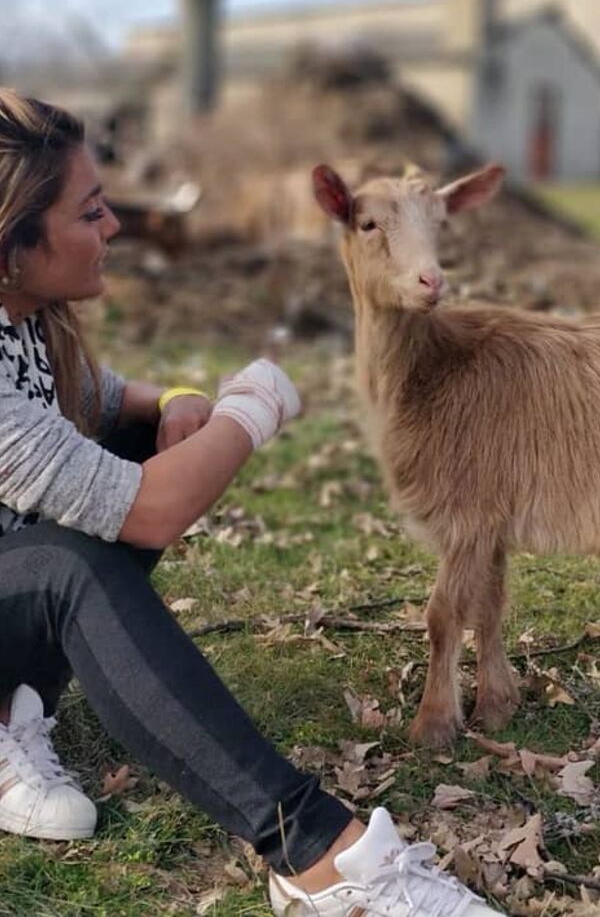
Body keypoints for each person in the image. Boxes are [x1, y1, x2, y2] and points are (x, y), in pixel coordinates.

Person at [0, 88, 503, 917]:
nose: (116, 227)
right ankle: (315, 852)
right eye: (91, 213)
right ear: (13, 244)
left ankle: (13, 708)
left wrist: (184, 399)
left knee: (125, 446)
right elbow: (149, 511)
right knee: (70, 561)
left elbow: (114, 397)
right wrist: (254, 404)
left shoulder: (24, 319)